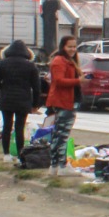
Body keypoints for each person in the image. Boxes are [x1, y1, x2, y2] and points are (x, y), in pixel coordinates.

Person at [0, 40, 41, 165]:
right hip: (23, 100)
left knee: (7, 127)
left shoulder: (2, 64)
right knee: (20, 128)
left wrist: (3, 87)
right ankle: (20, 155)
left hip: (6, 99)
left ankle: (6, 154)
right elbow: (36, 87)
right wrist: (35, 104)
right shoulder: (30, 66)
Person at [45, 35, 80, 176]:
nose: (73, 49)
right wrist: (78, 81)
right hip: (64, 101)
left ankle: (54, 167)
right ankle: (62, 166)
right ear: (63, 46)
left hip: (66, 100)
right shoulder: (60, 61)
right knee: (62, 136)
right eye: (69, 46)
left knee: (58, 135)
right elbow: (59, 81)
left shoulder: (67, 60)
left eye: (74, 46)